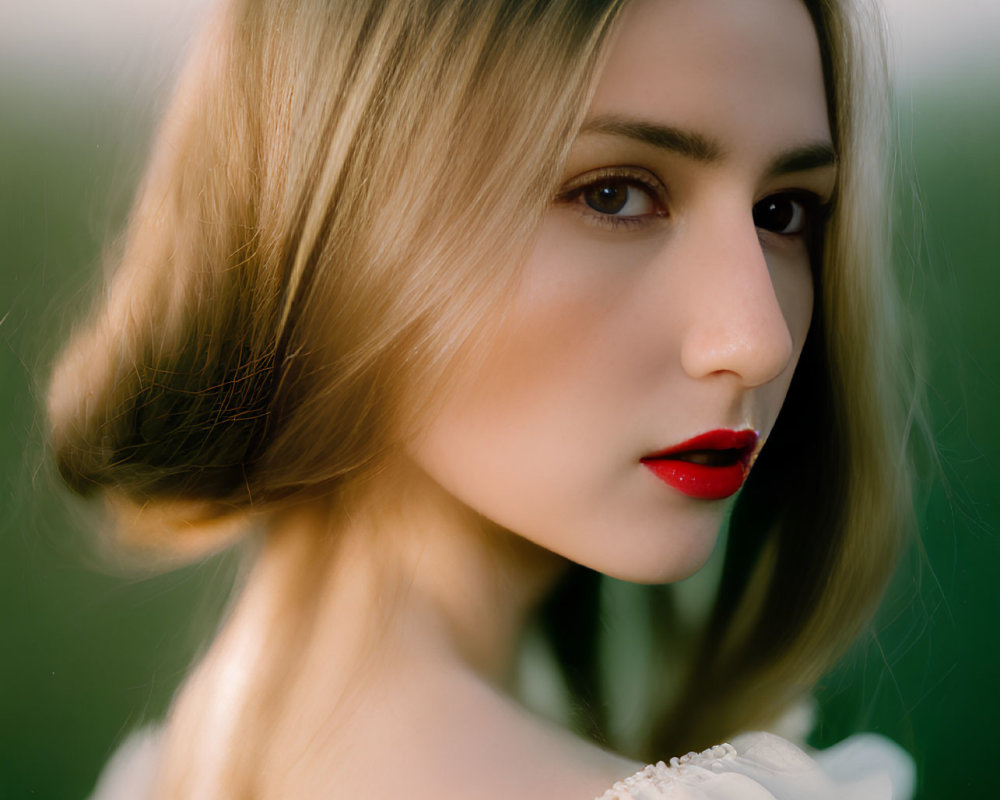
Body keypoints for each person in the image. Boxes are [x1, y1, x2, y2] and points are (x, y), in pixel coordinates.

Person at [47, 0, 918, 797]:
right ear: (341, 215)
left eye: (784, 212)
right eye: (614, 194)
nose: (757, 338)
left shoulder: (212, 748)